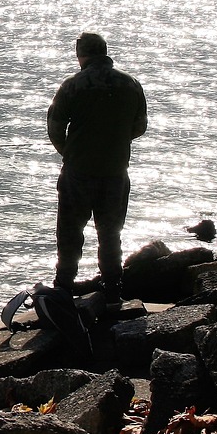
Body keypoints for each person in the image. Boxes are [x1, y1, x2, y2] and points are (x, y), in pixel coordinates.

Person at [47, 32, 147, 305]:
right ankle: (113, 287)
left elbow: (55, 127)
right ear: (105, 52)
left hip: (78, 173)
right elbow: (140, 126)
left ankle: (64, 288)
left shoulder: (72, 85)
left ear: (81, 55)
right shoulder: (131, 84)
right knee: (110, 234)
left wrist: (70, 152)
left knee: (70, 233)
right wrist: (114, 141)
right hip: (115, 172)